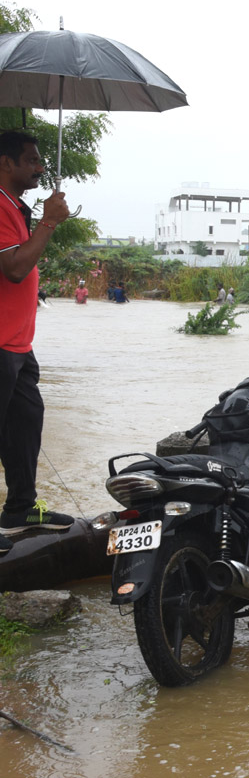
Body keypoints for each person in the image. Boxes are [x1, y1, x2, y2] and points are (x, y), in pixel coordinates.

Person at [0, 129, 76, 553]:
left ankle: (20, 508)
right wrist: (48, 222)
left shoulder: (14, 206)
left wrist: (38, 218)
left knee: (26, 423)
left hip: (17, 344)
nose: (40, 167)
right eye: (30, 160)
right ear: (5, 163)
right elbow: (13, 267)